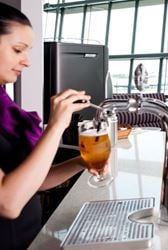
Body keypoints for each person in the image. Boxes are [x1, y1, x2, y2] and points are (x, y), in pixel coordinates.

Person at [0, 3, 100, 248]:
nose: (27, 62)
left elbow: (33, 181)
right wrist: (56, 126)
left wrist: (83, 161)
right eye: (18, 50)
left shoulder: (4, 107)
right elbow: (8, 203)